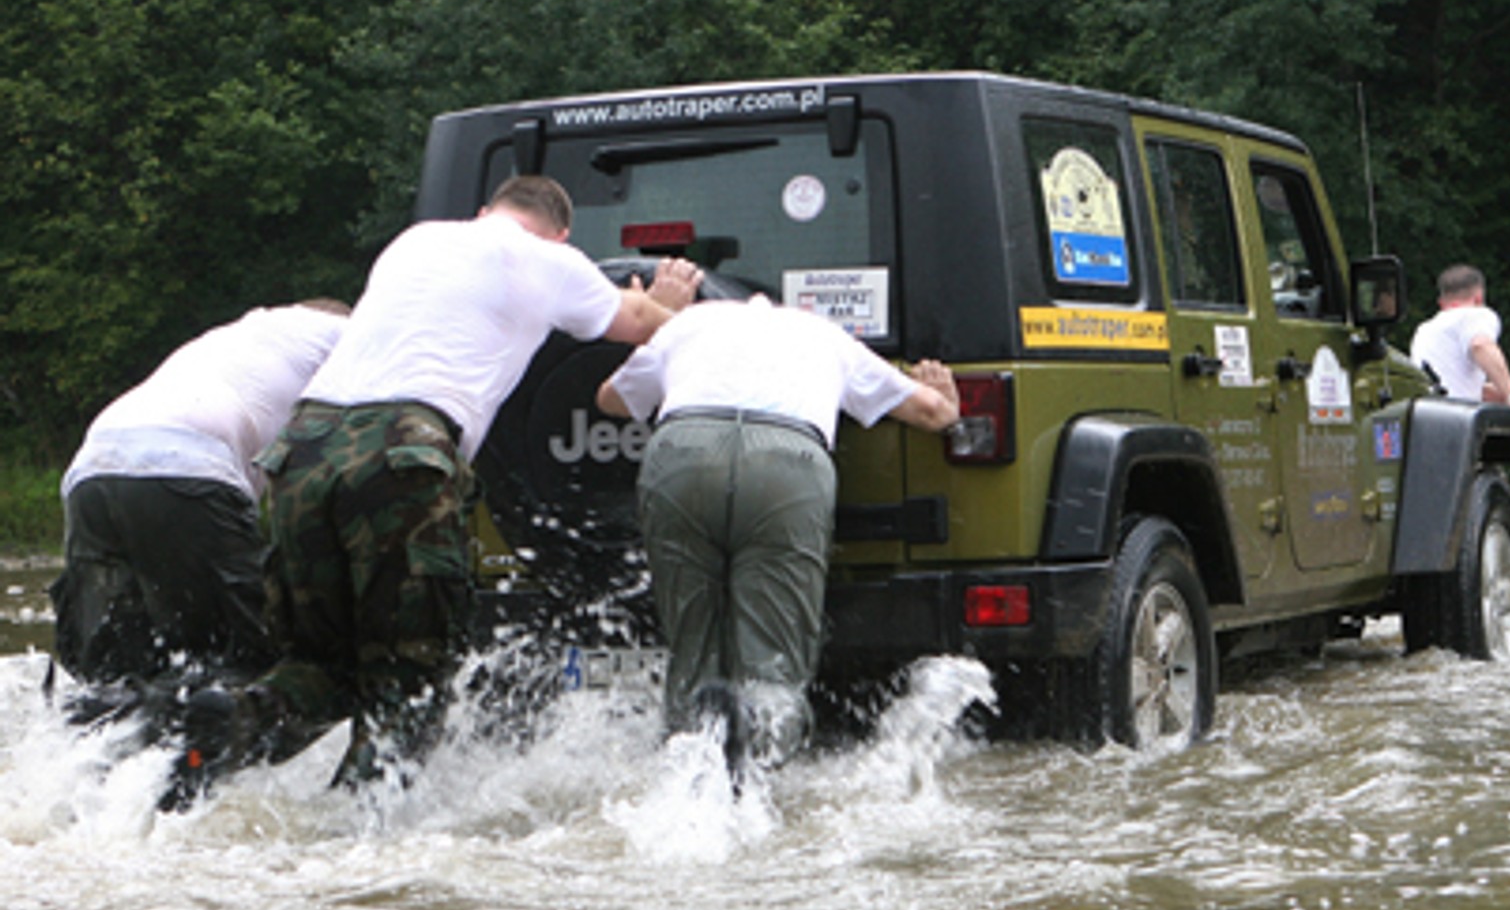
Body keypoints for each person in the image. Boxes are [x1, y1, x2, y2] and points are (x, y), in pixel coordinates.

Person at [170, 175, 701, 803]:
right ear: (561, 232)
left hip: (302, 450)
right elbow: (643, 324)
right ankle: (357, 836)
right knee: (411, 677)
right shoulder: (551, 260)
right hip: (403, 453)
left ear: (482, 213)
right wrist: (673, 300)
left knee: (323, 663)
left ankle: (234, 721)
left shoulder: (415, 241)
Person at [596, 295, 960, 778]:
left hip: (681, 454)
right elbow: (932, 412)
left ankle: (687, 771)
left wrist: (660, 321)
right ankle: (759, 774)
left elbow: (610, 399)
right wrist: (947, 398)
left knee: (691, 645)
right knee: (773, 660)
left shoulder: (691, 322)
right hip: (786, 464)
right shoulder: (825, 334)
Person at [50, 300, 349, 712]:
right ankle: (202, 757)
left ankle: (85, 768)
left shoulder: (244, 331)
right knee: (251, 663)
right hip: (190, 461)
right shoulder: (345, 340)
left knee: (111, 675)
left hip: (93, 465)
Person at [1408, 264, 1510, 416]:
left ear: (1442, 304)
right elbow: (1480, 345)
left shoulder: (1424, 331)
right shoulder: (1475, 314)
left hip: (1424, 422)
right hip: (1458, 423)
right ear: (1479, 298)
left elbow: (1458, 387)